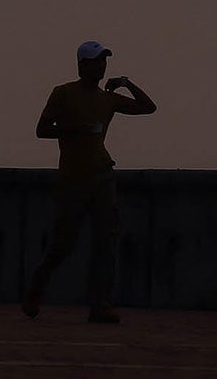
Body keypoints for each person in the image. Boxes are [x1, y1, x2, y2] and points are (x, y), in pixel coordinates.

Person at [23, 41, 156, 323]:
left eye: (104, 61)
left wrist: (126, 83)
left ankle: (101, 305)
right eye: (96, 61)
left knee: (105, 242)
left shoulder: (107, 98)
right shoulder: (63, 93)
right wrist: (76, 130)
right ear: (82, 65)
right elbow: (42, 130)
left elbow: (148, 107)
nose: (102, 66)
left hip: (102, 176)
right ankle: (37, 286)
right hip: (73, 179)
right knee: (63, 244)